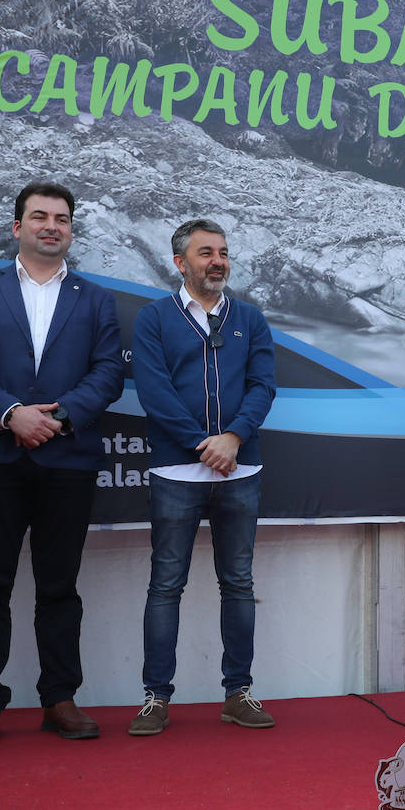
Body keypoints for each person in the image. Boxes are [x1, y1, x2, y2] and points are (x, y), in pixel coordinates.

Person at [0, 181, 124, 747]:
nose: (52, 225)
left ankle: (60, 698)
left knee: (60, 585)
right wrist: (12, 414)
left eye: (63, 218)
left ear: (71, 230)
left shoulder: (96, 299)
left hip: (66, 458)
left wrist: (60, 417)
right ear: (17, 225)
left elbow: (109, 373)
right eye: (40, 216)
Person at [130, 218, 277, 736]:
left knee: (238, 583)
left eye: (223, 252)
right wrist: (203, 444)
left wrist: (232, 437)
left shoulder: (250, 318)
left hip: (240, 469)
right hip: (177, 471)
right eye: (205, 252)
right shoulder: (154, 319)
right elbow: (154, 392)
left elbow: (263, 386)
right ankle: (155, 698)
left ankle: (238, 693)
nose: (217, 260)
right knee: (166, 583)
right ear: (180, 262)